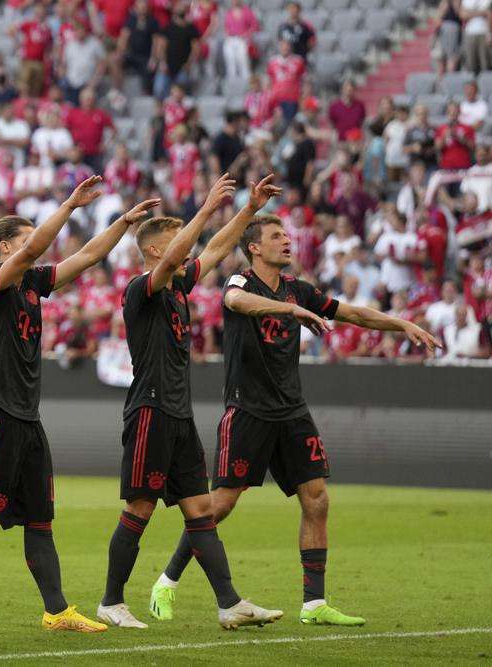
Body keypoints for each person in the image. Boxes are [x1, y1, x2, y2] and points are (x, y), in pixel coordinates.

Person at [149, 215, 440, 628]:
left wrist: (402, 323)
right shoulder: (241, 282)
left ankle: (314, 604)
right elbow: (237, 303)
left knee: (317, 498)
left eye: (287, 235)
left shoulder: (298, 289)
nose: (287, 241)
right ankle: (167, 581)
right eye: (276, 236)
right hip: (247, 410)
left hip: (292, 411)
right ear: (254, 247)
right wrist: (290, 309)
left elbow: (352, 313)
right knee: (221, 504)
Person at [0, 176, 161, 634]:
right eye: (26, 239)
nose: (36, 248)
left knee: (39, 521)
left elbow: (88, 256)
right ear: (5, 247)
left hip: (26, 416)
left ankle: (57, 611)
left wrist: (122, 222)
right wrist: (69, 205)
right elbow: (32, 251)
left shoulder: (32, 283)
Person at [101, 175, 285, 630]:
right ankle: (111, 602)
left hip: (179, 415)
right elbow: (181, 255)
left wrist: (246, 210)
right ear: (155, 251)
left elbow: (216, 249)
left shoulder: (179, 287)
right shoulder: (142, 288)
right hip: (150, 411)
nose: (186, 249)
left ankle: (229, 603)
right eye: (176, 240)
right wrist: (205, 209)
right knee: (140, 509)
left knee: (200, 511)